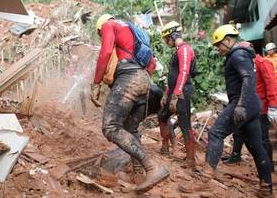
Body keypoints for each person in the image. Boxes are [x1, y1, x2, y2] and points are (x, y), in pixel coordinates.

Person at [180, 24, 273, 197]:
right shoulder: (240, 55)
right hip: (251, 104)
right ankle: (266, 186)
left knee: (215, 133)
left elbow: (248, 78)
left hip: (243, 102)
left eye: (219, 44)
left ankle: (205, 181)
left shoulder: (237, 55)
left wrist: (241, 105)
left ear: (229, 40)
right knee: (255, 146)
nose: (218, 49)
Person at [90, 14, 169, 193]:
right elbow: (152, 65)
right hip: (145, 81)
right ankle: (138, 174)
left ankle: (152, 167)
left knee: (110, 127)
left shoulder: (108, 25)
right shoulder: (136, 32)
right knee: (131, 129)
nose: (102, 35)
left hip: (129, 79)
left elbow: (106, 52)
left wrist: (96, 83)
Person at [222, 42, 277, 173]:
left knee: (263, 137)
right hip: (246, 104)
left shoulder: (262, 63)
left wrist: (273, 106)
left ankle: (268, 166)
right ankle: (235, 156)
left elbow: (271, 84)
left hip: (261, 106)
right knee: (239, 131)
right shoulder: (244, 62)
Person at [158, 21, 196, 170]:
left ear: (172, 36)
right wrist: (167, 93)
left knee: (185, 123)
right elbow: (173, 76)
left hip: (182, 92)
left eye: (166, 38)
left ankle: (191, 160)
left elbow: (184, 73)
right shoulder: (178, 49)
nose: (166, 42)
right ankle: (165, 147)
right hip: (175, 91)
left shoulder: (184, 49)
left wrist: (176, 95)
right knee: (162, 115)